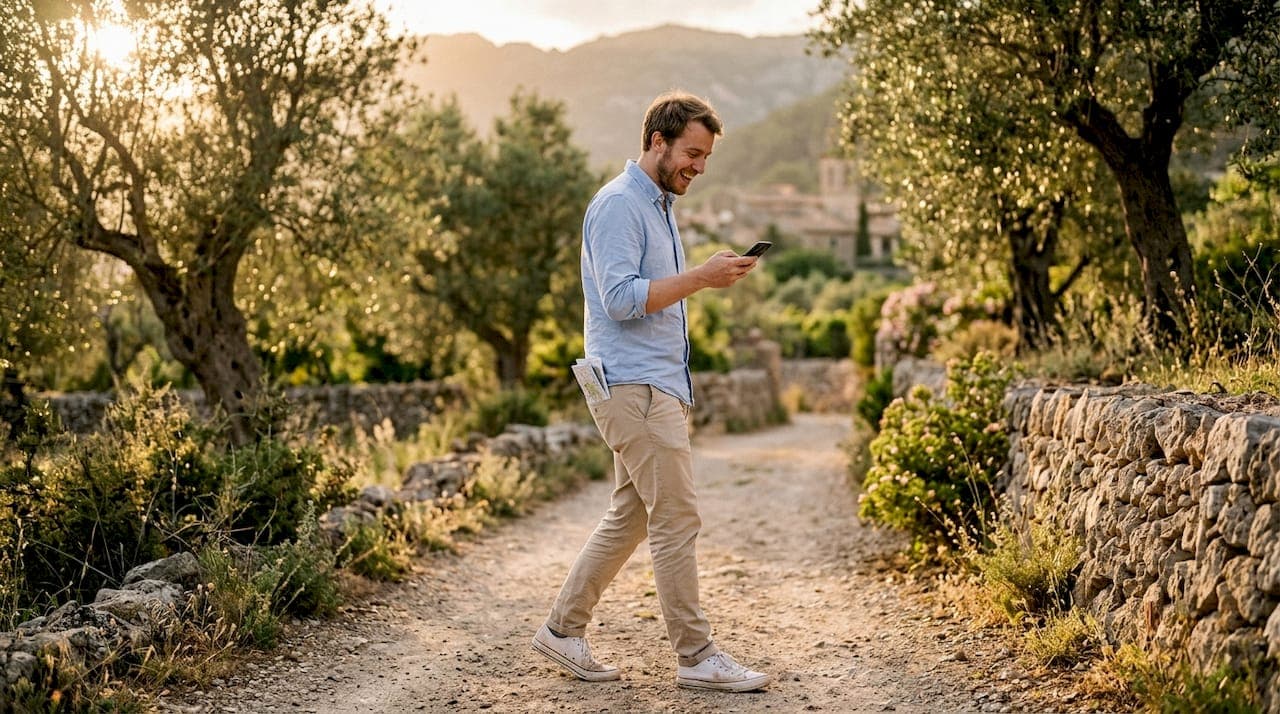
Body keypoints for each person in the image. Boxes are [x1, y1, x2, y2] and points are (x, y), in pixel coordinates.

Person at [531, 91, 771, 693]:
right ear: (657, 141)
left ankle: (562, 630)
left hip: (650, 384)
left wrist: (705, 278)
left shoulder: (658, 205)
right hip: (633, 386)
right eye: (692, 152)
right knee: (675, 516)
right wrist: (701, 278)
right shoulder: (618, 205)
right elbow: (619, 299)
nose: (700, 165)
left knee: (632, 515)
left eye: (706, 156)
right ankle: (695, 655)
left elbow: (649, 292)